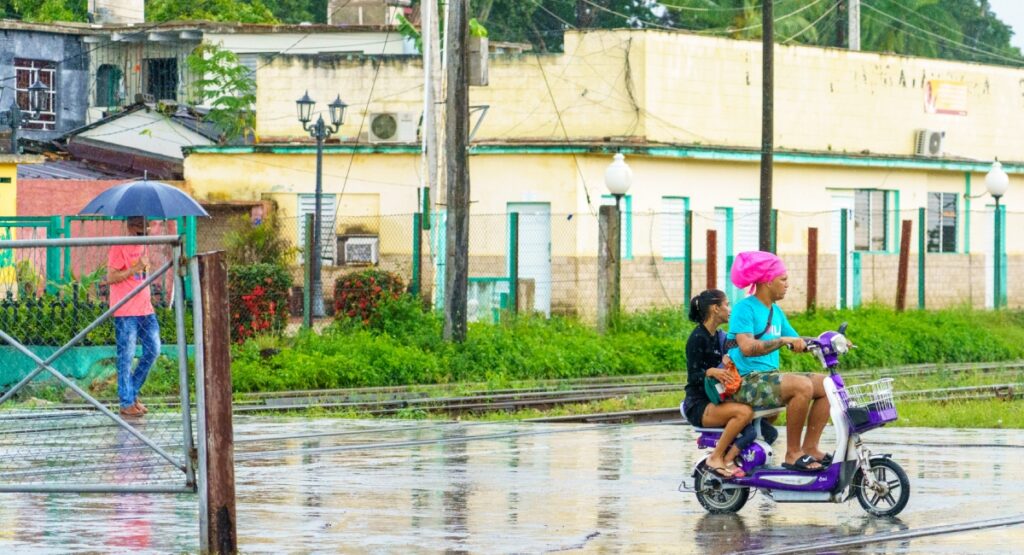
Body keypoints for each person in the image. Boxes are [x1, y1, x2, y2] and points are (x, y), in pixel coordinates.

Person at [726, 251, 831, 473]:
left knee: (826, 384)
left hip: (766, 379)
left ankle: (810, 447)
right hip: (745, 382)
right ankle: (793, 454)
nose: (787, 285)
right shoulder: (744, 308)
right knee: (801, 385)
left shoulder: (776, 311)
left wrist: (829, 341)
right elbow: (746, 347)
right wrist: (782, 340)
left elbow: (798, 341)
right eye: (783, 280)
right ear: (766, 281)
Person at [683, 289, 753, 479]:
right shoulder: (697, 338)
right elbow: (693, 376)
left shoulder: (720, 336)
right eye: (726, 304)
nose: (729, 309)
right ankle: (715, 458)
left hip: (717, 399)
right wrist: (710, 371)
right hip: (699, 404)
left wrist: (727, 361)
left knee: (763, 426)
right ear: (715, 308)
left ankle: (734, 461)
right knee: (744, 413)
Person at [107, 216, 161, 418]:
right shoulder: (118, 246)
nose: (145, 231)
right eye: (140, 227)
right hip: (125, 310)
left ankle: (132, 392)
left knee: (154, 350)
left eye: (147, 226)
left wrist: (143, 268)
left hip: (145, 309)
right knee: (126, 356)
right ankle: (126, 401)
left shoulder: (144, 246)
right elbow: (111, 277)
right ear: (131, 227)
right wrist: (134, 269)